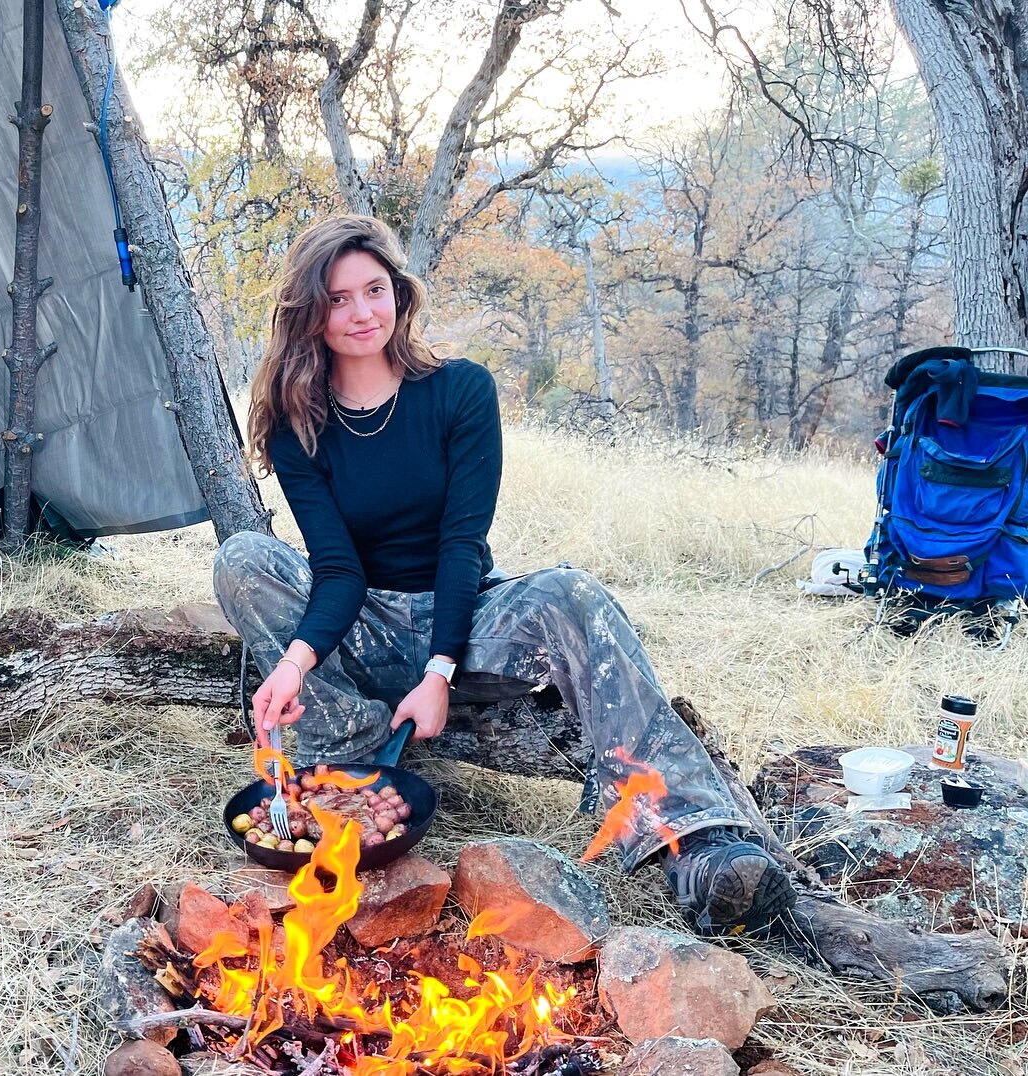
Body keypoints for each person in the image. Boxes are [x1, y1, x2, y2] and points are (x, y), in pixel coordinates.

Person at [212, 214, 794, 936]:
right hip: (363, 625)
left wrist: (440, 671)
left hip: (465, 622)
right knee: (243, 558)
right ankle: (350, 755)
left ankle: (696, 841)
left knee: (572, 593)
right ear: (309, 311)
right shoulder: (297, 421)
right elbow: (338, 571)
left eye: (374, 289)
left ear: (399, 292)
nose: (361, 312)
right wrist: (293, 666)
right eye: (337, 298)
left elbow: (461, 544)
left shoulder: (459, 390)